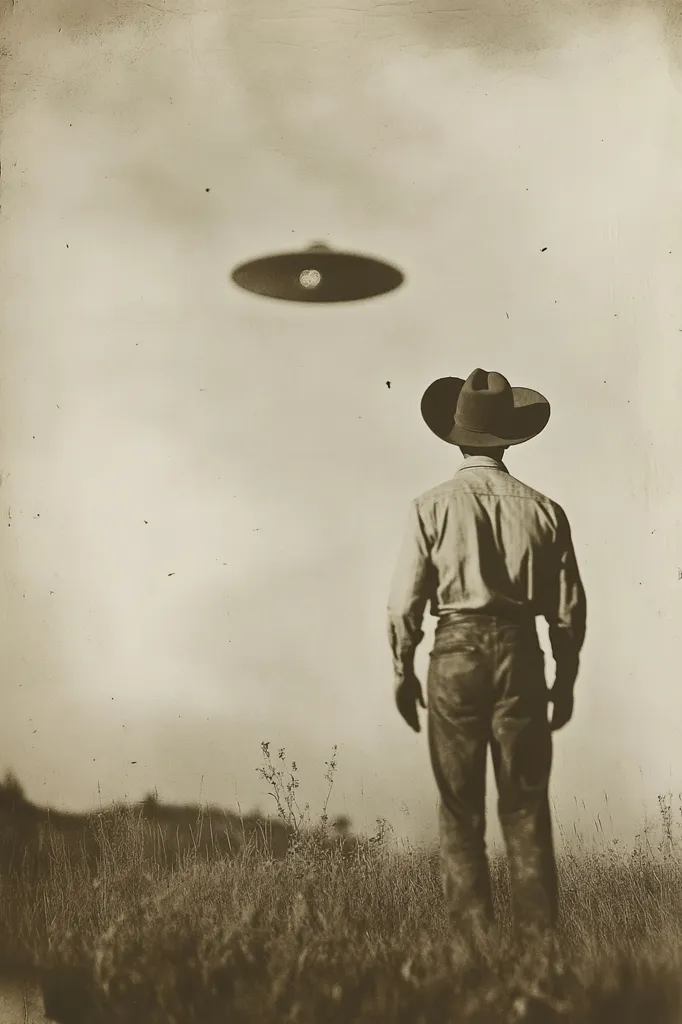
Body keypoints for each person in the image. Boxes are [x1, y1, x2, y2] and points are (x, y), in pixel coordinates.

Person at [387, 368, 586, 944]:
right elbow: (568, 611)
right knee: (526, 809)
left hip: (454, 653)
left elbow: (404, 604)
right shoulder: (546, 510)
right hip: (521, 654)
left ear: (457, 436)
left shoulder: (430, 506)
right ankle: (539, 957)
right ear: (508, 438)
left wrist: (402, 670)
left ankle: (473, 953)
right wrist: (564, 679)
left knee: (460, 810)